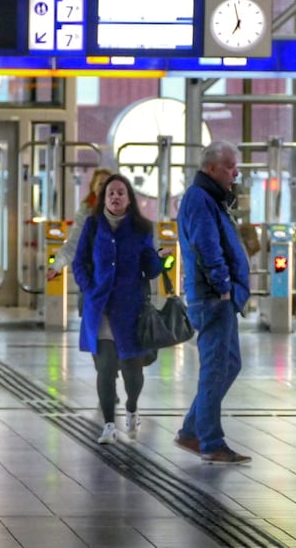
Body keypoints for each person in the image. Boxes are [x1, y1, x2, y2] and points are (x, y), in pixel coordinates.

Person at [72, 174, 170, 444]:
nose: (115, 197)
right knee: (104, 367)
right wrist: (89, 286)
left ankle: (131, 408)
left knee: (131, 370)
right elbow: (79, 262)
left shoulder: (141, 228)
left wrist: (159, 260)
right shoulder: (92, 226)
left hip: (131, 310)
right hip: (101, 307)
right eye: (110, 193)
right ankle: (108, 425)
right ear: (104, 198)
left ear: (129, 199)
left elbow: (149, 269)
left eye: (120, 193)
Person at [174, 141, 252, 465]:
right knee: (216, 369)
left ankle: (192, 430)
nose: (236, 173)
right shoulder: (199, 199)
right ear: (211, 168)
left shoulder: (210, 198)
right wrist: (222, 286)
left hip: (220, 297)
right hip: (212, 298)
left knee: (229, 365)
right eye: (230, 167)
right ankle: (210, 441)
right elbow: (206, 244)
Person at [47, 167, 113, 282]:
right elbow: (73, 244)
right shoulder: (86, 214)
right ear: (93, 188)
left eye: (108, 184)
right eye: (100, 184)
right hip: (92, 276)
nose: (104, 188)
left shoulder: (125, 214)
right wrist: (56, 265)